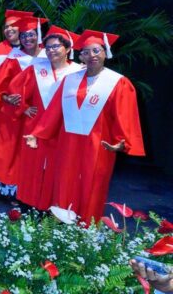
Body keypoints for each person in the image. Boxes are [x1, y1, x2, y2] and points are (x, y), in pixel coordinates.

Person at [25, 30, 145, 223]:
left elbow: (124, 116)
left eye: (96, 50)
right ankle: (61, 223)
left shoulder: (118, 83)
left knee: (92, 185)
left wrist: (121, 142)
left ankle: (86, 227)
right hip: (68, 142)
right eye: (86, 52)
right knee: (64, 182)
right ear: (80, 56)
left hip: (98, 143)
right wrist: (37, 134)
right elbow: (55, 111)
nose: (92, 56)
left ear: (106, 53)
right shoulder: (70, 80)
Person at [13, 26, 81, 210]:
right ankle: (30, 202)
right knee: (33, 164)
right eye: (48, 47)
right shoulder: (36, 68)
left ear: (67, 49)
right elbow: (15, 88)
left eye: (56, 46)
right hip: (36, 123)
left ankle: (54, 204)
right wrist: (24, 107)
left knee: (58, 166)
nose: (51, 50)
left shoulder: (78, 72)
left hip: (62, 127)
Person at [0, 16, 48, 199]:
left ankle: (30, 190)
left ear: (38, 35)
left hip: (38, 114)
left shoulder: (49, 56)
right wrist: (7, 98)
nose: (27, 39)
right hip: (13, 114)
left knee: (31, 152)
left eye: (31, 35)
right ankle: (7, 190)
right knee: (9, 150)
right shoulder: (13, 58)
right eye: (23, 36)